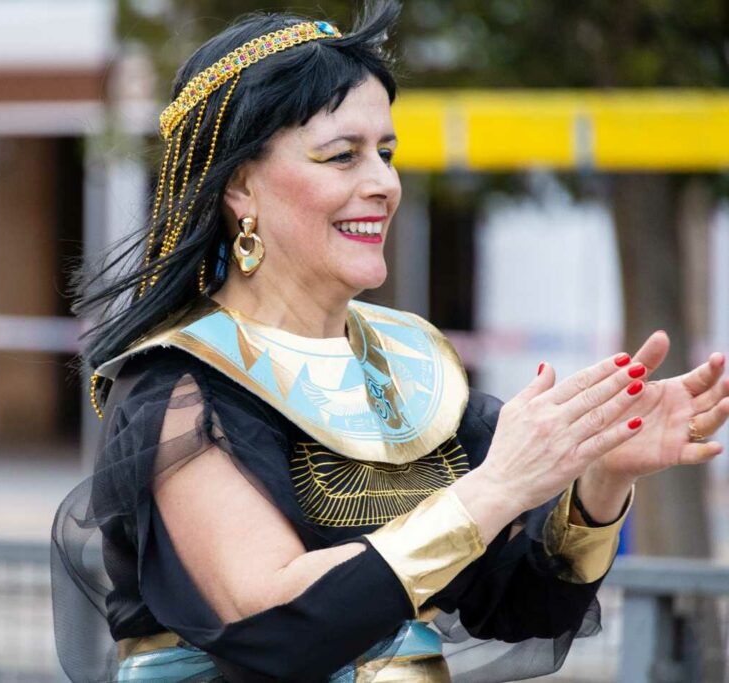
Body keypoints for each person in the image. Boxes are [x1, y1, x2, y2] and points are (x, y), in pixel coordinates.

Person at [51, 4, 729, 681]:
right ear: (240, 184)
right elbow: (273, 622)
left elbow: (521, 604)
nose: (381, 183)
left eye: (385, 153)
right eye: (341, 156)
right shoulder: (180, 384)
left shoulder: (410, 365)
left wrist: (602, 477)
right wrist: (492, 489)